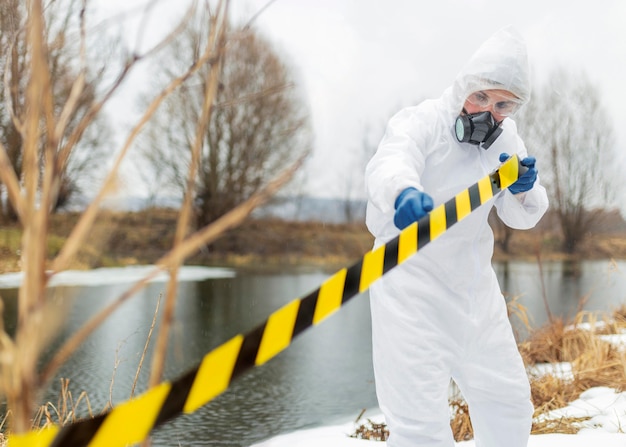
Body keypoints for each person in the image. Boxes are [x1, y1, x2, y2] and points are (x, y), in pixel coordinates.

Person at [364, 26, 549, 447]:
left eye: (503, 103)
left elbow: (523, 217)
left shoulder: (505, 140)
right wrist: (402, 192)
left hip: (473, 293)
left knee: (509, 404)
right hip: (409, 288)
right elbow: (391, 160)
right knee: (420, 427)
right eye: (481, 96)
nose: (488, 110)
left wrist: (525, 191)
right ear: (465, 84)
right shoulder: (423, 121)